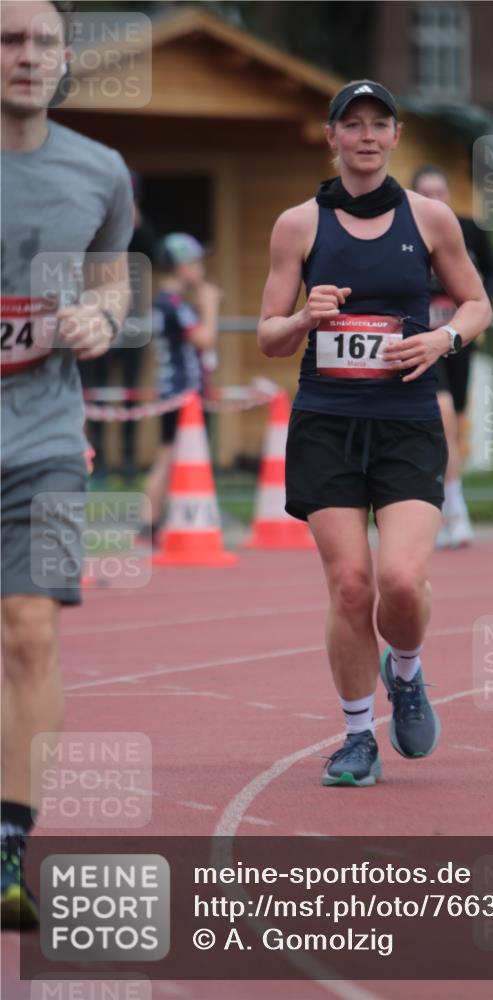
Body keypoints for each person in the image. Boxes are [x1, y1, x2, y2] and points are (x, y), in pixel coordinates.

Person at [258, 80, 491, 787]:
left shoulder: (429, 219)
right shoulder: (297, 225)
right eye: (350, 124)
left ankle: (408, 672)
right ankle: (358, 735)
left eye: (378, 124)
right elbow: (267, 334)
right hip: (327, 422)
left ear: (394, 137)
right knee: (351, 585)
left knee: (398, 578)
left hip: (407, 423)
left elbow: (478, 303)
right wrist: (303, 320)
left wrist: (441, 340)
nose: (364, 135)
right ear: (330, 137)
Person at [1, 0, 133, 927]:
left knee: (32, 632)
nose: (28, 54)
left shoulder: (101, 170)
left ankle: (9, 848)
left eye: (44, 40)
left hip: (47, 441)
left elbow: (113, 274)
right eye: (9, 38)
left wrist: (104, 319)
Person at [412, 166, 493, 548]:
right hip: (422, 342)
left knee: (454, 422)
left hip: (458, 339)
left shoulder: (470, 230)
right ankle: (452, 508)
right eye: (425, 192)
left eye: (440, 192)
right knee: (443, 413)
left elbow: (492, 278)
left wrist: (480, 313)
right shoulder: (404, 231)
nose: (434, 199)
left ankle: (449, 500)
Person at [78, 169, 161, 479]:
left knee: (130, 393)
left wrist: (136, 223)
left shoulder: (140, 228)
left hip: (134, 324)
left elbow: (156, 253)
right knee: (95, 392)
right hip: (98, 320)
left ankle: (128, 460)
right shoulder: (92, 224)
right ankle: (97, 460)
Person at [139, 233, 221, 542]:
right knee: (171, 456)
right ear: (180, 266)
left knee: (171, 455)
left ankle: (154, 519)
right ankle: (150, 520)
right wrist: (210, 304)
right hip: (181, 392)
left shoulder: (165, 302)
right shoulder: (173, 304)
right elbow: (205, 339)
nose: (201, 269)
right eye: (195, 262)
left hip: (175, 390)